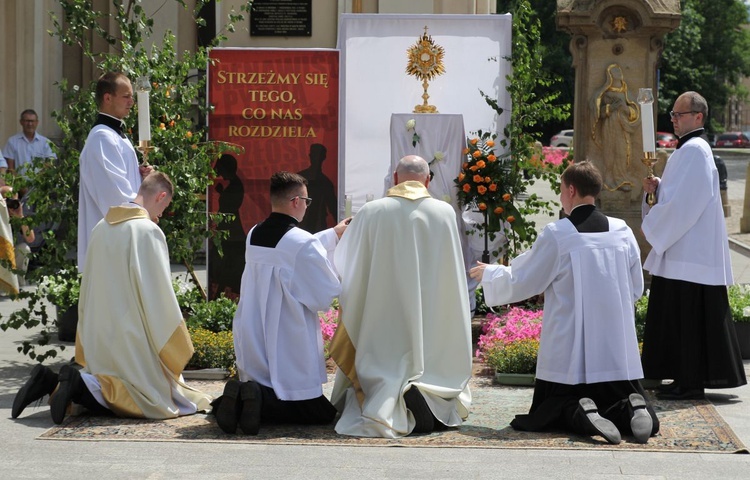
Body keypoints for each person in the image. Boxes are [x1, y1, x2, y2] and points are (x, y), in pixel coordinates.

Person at [470, 161, 658, 445]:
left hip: (571, 345)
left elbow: (526, 278)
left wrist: (491, 273)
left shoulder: (559, 233)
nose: (560, 196)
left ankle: (580, 411)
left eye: (560, 190)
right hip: (616, 346)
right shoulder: (622, 231)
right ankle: (633, 406)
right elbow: (635, 287)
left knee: (557, 406)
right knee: (616, 394)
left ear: (571, 190)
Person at [12, 172, 212, 423]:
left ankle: (48, 380)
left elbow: (88, 286)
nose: (162, 214)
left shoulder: (101, 227)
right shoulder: (148, 231)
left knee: (108, 383)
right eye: (165, 206)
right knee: (150, 400)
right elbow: (158, 295)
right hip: (130, 341)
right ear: (160, 196)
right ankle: (76, 384)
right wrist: (176, 341)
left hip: (99, 337)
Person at [330, 155, 472, 438]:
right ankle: (428, 394)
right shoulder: (444, 213)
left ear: (395, 178)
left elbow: (347, 263)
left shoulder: (372, 211)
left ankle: (386, 396)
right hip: (431, 309)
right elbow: (452, 273)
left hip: (382, 311)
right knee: (431, 353)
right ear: (427, 180)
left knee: (382, 354)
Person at [215, 171, 348, 435]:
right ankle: (259, 401)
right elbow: (323, 294)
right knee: (317, 412)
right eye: (307, 201)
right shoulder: (302, 242)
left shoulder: (254, 233)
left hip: (254, 335)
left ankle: (244, 395)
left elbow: (292, 252)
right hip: (287, 340)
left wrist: (333, 234)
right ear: (297, 201)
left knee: (262, 383)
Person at [641, 91, 747, 400]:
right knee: (684, 317)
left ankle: (689, 381)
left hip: (688, 252)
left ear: (698, 117)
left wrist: (656, 222)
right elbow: (680, 194)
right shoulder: (689, 150)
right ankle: (685, 378)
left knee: (687, 319)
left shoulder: (695, 150)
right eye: (672, 114)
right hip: (685, 251)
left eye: (678, 114)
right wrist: (658, 189)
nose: (673, 119)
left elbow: (686, 204)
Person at [77, 72, 153, 272]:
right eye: (126, 96)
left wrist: (141, 176)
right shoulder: (102, 138)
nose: (132, 102)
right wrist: (149, 209)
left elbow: (123, 182)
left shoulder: (118, 136)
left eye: (132, 97)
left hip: (122, 242)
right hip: (112, 245)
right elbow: (116, 199)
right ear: (108, 98)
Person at [2, 109, 56, 179]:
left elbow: (49, 165)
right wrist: (20, 185)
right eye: (27, 121)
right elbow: (10, 168)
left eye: (32, 121)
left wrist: (37, 182)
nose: (30, 124)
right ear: (21, 122)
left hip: (40, 186)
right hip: (18, 186)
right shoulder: (12, 141)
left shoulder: (45, 143)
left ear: (37, 122)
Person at [297, 143, 337, 234]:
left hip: (318, 227)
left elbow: (333, 208)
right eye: (314, 155)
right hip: (300, 226)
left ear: (324, 157)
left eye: (319, 156)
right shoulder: (299, 178)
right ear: (310, 156)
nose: (316, 159)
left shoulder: (326, 183)